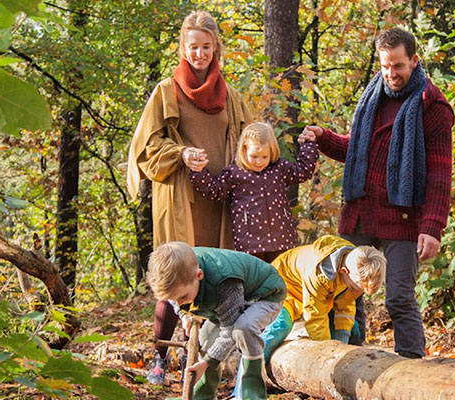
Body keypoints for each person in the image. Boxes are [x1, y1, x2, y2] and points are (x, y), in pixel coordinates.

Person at [304, 27, 454, 359]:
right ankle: (350, 362)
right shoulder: (373, 94)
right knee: (345, 292)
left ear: (414, 61)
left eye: (398, 66)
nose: (391, 74)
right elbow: (357, 149)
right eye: (386, 66)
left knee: (399, 296)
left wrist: (432, 227)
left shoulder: (433, 106)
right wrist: (324, 137)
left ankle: (411, 371)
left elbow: (441, 172)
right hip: (362, 209)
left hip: (403, 215)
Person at [125, 10, 256, 384]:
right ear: (183, 48)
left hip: (221, 201)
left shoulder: (231, 96)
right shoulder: (166, 91)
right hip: (180, 197)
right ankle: (159, 356)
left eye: (206, 47)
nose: (200, 54)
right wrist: (181, 155)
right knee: (174, 271)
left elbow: (252, 139)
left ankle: (205, 362)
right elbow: (147, 146)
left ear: (216, 49)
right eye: (193, 47)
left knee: (215, 276)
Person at [230, 234, 385, 397]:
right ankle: (243, 387)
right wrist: (326, 352)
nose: (355, 292)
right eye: (355, 287)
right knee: (279, 327)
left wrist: (340, 347)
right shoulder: (318, 271)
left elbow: (345, 306)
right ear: (343, 271)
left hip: (316, 297)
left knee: (351, 327)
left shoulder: (353, 267)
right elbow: (315, 316)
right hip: (280, 289)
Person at [147, 242, 286, 400]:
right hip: (227, 303)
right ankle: (203, 395)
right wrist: (184, 315)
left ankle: (253, 393)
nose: (179, 302)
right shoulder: (180, 276)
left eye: (183, 297)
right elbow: (173, 300)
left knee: (243, 329)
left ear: (199, 275)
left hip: (264, 295)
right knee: (206, 339)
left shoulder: (224, 283)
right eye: (173, 299)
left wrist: (206, 362)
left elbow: (229, 332)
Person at [185, 122, 319, 262]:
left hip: (282, 238)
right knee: (255, 279)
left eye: (264, 157)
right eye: (254, 156)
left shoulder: (279, 168)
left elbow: (302, 172)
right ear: (244, 150)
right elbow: (214, 190)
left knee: (281, 278)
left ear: (271, 152)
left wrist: (308, 144)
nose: (259, 162)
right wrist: (198, 170)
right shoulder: (235, 173)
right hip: (250, 242)